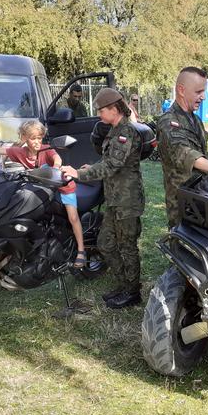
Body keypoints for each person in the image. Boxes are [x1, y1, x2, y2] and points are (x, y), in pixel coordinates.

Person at [61, 88, 144, 309]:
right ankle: (123, 284)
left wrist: (79, 173)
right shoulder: (114, 130)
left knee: (127, 248)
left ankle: (133, 292)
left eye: (101, 110)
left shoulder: (126, 132)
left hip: (127, 201)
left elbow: (112, 165)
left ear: (114, 109)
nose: (98, 115)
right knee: (105, 243)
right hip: (115, 199)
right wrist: (92, 167)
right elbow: (109, 161)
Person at [0, 120, 86, 268]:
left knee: (73, 217)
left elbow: (57, 158)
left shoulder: (46, 149)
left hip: (62, 186)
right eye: (32, 138)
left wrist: (55, 168)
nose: (37, 142)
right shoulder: (20, 152)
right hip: (42, 190)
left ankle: (81, 250)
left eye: (39, 138)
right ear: (24, 137)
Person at [156, 67, 208, 228]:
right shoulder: (169, 122)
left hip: (202, 195)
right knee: (183, 247)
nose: (204, 96)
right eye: (199, 92)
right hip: (182, 201)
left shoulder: (194, 120)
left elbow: (202, 153)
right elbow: (186, 153)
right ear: (181, 90)